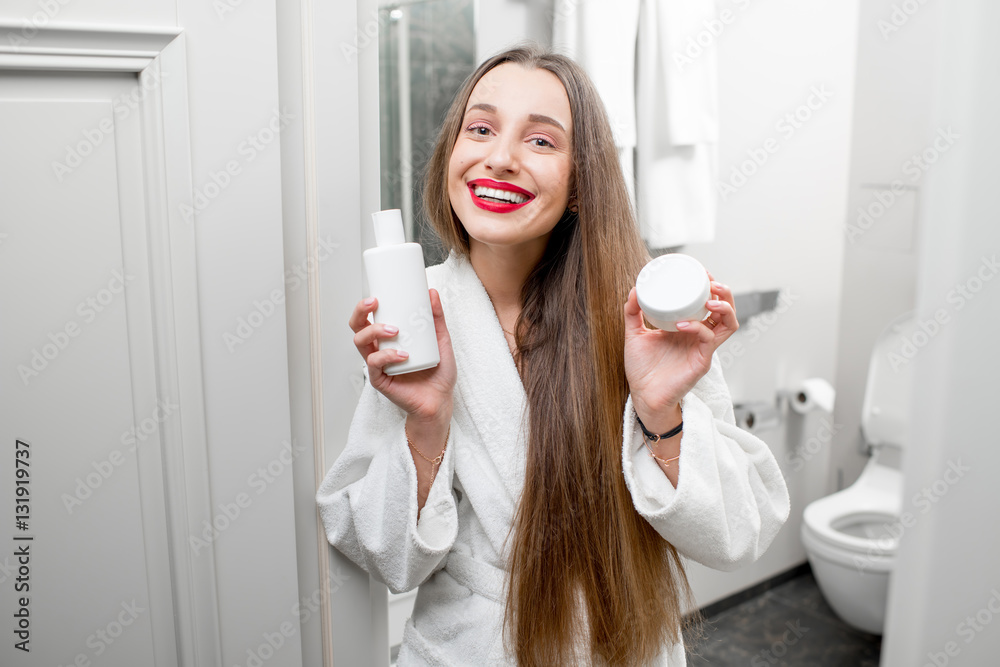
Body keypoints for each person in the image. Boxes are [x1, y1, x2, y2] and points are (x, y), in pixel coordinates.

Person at [317, 44, 789, 666]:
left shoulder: (643, 312)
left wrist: (660, 408)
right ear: (452, 155)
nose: (501, 158)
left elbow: (738, 531)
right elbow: (386, 557)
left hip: (623, 642)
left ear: (578, 184)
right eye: (480, 129)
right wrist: (426, 423)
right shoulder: (418, 310)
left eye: (541, 142)